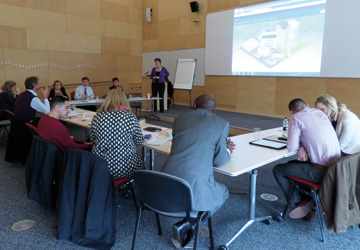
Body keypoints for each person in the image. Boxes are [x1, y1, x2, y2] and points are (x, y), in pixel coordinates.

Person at [161, 94, 235, 248]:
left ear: (193, 105)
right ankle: (190, 224)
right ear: (214, 111)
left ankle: (189, 223)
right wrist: (227, 149)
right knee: (223, 192)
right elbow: (219, 161)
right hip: (192, 183)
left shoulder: (179, 119)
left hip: (165, 179)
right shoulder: (221, 123)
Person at [273, 98, 340, 221]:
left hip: (321, 171)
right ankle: (309, 200)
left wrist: (299, 146)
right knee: (291, 164)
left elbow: (291, 147)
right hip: (337, 169)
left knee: (278, 169)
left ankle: (298, 202)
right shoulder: (320, 113)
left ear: (292, 112)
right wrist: (303, 146)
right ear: (308, 106)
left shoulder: (296, 117)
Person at [89, 89, 144, 180]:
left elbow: (92, 138)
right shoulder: (130, 117)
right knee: (139, 162)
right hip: (126, 166)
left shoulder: (98, 117)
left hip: (101, 166)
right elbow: (139, 141)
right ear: (124, 101)